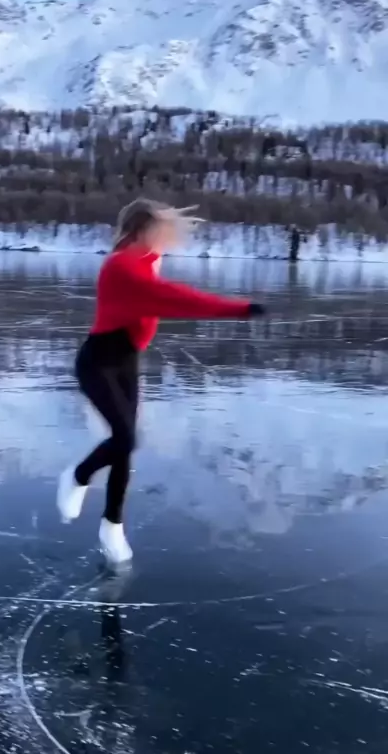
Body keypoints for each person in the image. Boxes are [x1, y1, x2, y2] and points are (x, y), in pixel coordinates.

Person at [57, 199, 266, 566]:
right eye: (159, 231)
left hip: (126, 361)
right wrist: (238, 309)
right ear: (141, 231)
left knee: (124, 445)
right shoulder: (121, 266)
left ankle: (112, 525)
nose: (166, 240)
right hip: (98, 363)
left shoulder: (146, 259)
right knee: (125, 438)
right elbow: (174, 298)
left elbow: (158, 284)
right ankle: (77, 476)